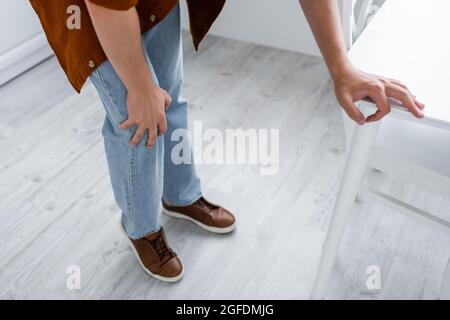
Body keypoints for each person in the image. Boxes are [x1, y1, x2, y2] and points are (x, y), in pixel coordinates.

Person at [29, 0, 424, 283]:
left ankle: (180, 196)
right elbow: (108, 7)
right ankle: (141, 227)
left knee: (169, 96)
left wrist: (341, 66)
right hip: (85, 9)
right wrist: (138, 86)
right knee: (138, 118)